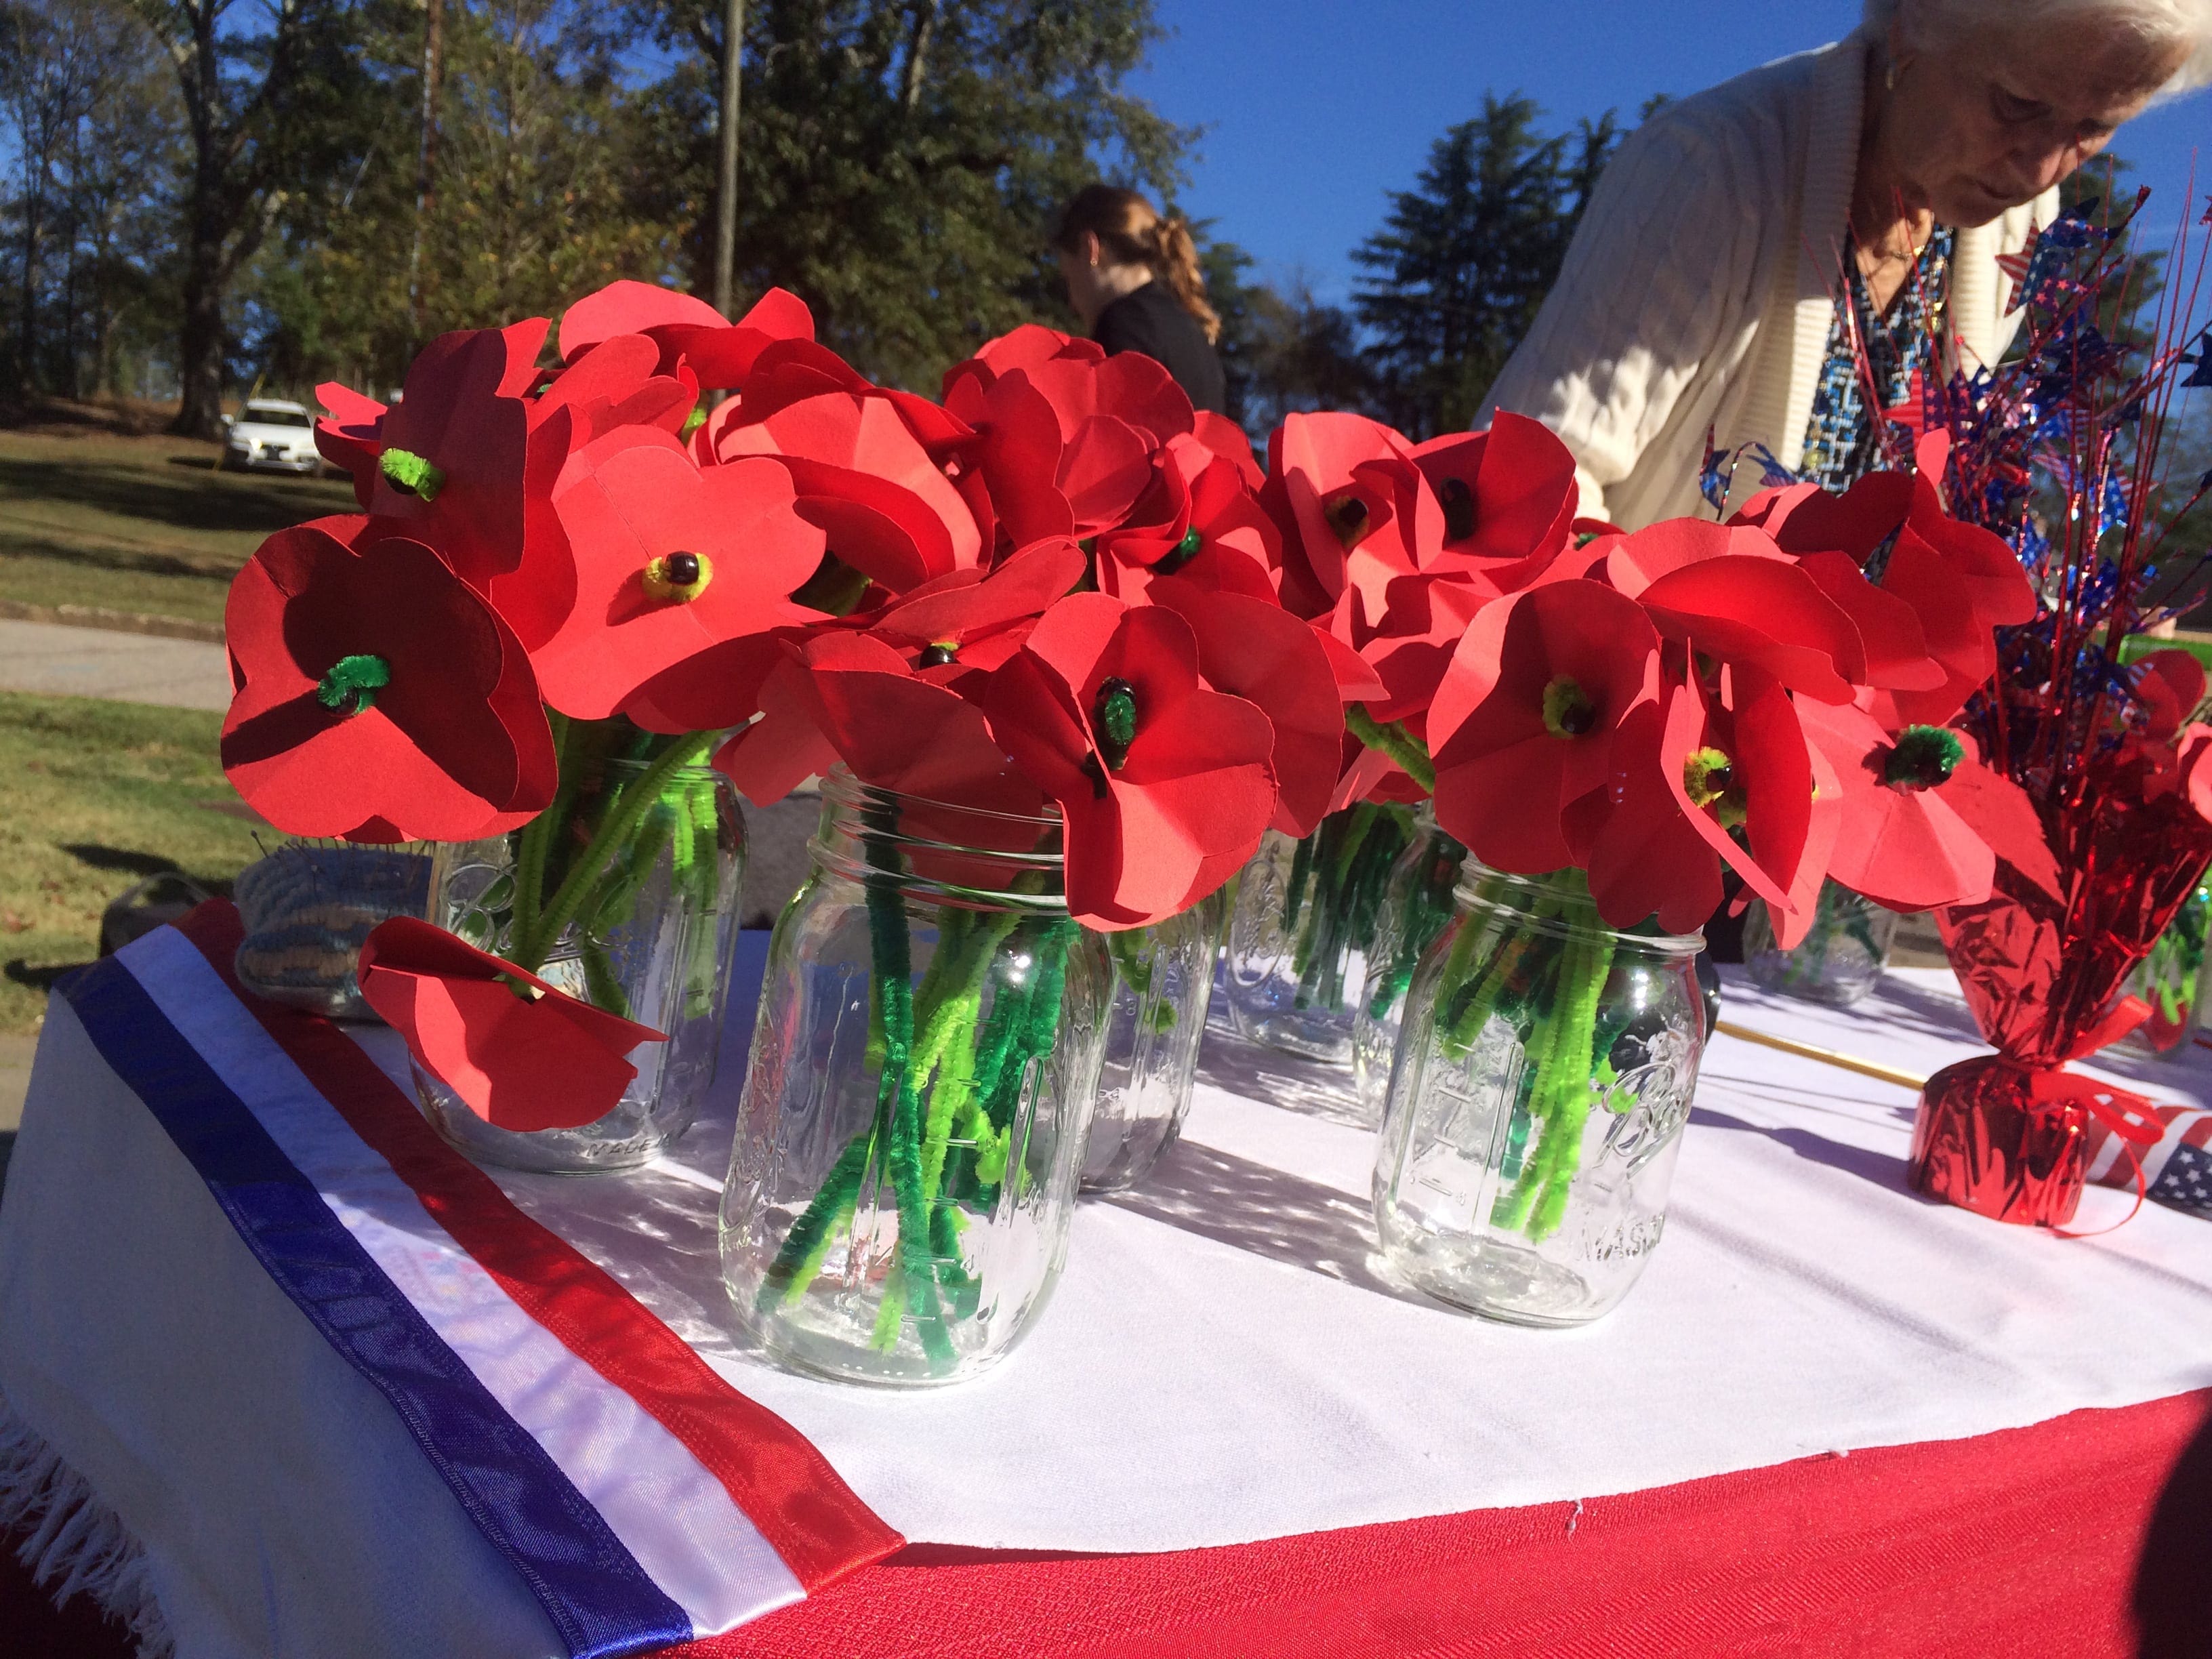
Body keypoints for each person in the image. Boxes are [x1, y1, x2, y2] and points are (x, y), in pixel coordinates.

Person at [1482, 0, 2212, 528]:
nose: (2045, 168)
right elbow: (1529, 477)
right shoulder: (1712, 168)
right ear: (1909, 26)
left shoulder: (2017, 224)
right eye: (2018, 105)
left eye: (2094, 127)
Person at [1054, 185, 1229, 415]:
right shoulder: (1189, 328)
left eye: (1068, 279)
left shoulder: (1123, 324)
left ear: (1091, 249)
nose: (1072, 303)